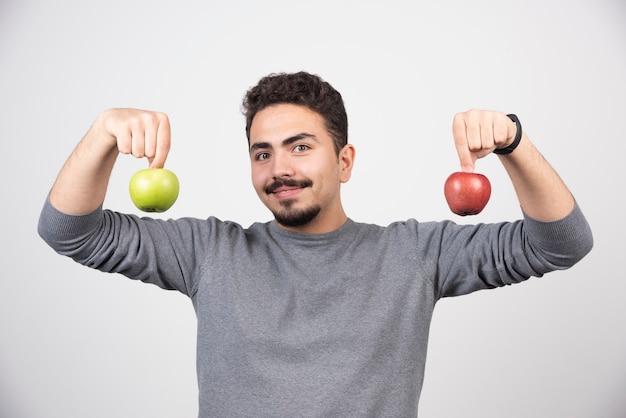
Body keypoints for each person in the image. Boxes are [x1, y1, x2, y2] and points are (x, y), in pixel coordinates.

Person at [38, 71, 593, 417]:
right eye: (262, 153)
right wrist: (103, 133)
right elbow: (69, 230)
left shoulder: (416, 255)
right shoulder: (208, 252)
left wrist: (513, 142)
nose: (279, 169)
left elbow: (562, 243)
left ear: (344, 161)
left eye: (300, 147)